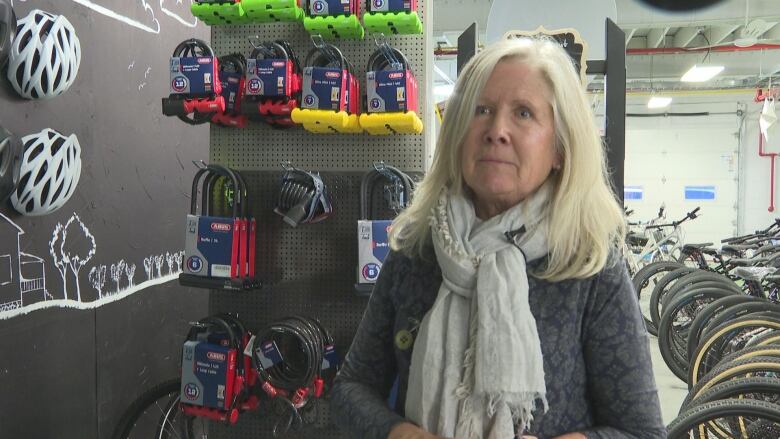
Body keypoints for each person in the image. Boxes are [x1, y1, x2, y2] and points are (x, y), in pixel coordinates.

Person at [330, 37, 666, 439]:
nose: (496, 131)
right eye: (481, 110)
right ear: (457, 133)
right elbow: (350, 389)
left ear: (560, 147)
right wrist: (399, 433)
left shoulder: (588, 264)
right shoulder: (417, 248)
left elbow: (641, 432)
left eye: (523, 113)